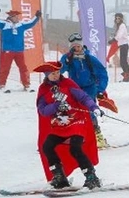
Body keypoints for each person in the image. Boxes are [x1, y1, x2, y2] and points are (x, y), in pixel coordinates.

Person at [35, 61, 103, 189]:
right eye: (52, 74)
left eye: (57, 73)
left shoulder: (68, 84)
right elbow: (42, 111)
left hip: (77, 122)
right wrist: (55, 106)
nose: (55, 76)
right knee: (47, 146)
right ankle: (59, 177)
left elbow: (84, 98)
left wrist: (94, 107)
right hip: (59, 125)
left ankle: (91, 177)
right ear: (47, 75)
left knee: (75, 148)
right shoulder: (43, 90)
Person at [60, 33, 111, 148]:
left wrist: (100, 89)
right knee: (74, 111)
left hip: (90, 88)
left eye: (78, 46)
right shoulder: (68, 58)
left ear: (82, 46)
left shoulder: (90, 58)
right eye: (74, 47)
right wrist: (65, 63)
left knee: (89, 111)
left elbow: (102, 74)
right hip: (74, 89)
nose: (76, 49)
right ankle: (76, 135)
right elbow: (60, 71)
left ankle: (97, 135)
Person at [0, 8, 41, 90]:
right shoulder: (4, 24)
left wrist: (37, 16)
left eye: (18, 16)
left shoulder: (21, 25)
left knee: (23, 67)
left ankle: (26, 84)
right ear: (11, 17)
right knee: (5, 67)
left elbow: (30, 23)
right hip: (7, 50)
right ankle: (2, 84)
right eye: (16, 16)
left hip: (19, 50)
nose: (18, 18)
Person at [109, 12, 129, 82]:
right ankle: (128, 76)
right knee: (123, 61)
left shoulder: (122, 25)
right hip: (122, 45)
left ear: (121, 19)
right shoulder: (119, 26)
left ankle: (128, 76)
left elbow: (120, 35)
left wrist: (113, 40)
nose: (117, 19)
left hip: (124, 45)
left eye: (118, 18)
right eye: (116, 18)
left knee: (123, 62)